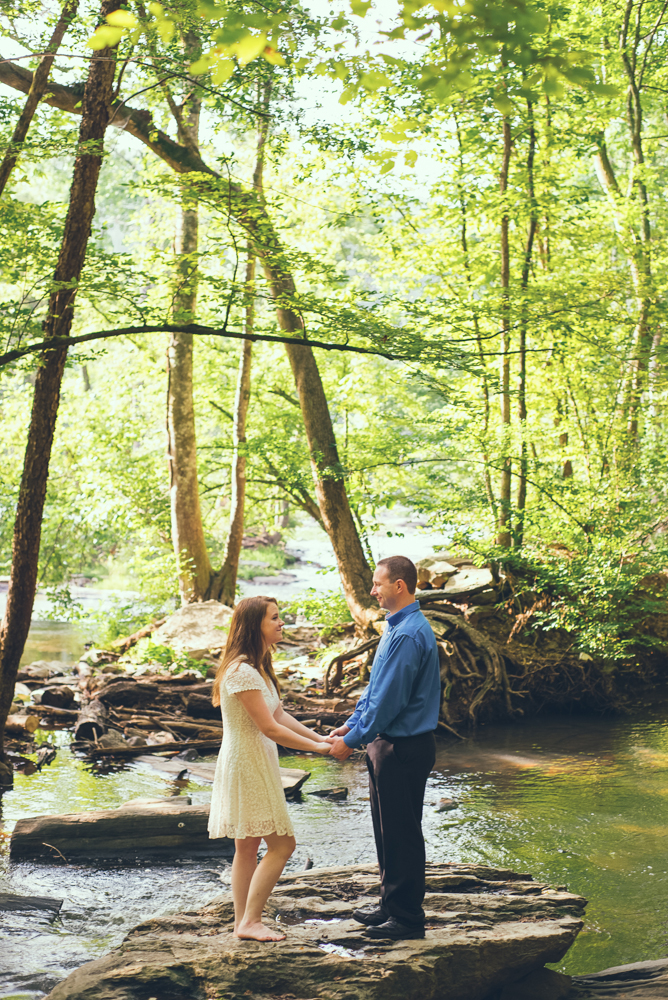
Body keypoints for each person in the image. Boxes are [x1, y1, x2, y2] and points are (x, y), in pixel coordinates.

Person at [208, 595, 332, 942]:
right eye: (274, 618)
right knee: (282, 846)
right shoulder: (241, 670)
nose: (281, 623)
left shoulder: (257, 667)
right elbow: (270, 729)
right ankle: (250, 920)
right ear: (254, 626)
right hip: (247, 764)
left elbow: (279, 715)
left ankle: (242, 923)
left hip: (252, 760)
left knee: (247, 848)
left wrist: (319, 736)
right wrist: (320, 749)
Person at [329, 555, 440, 941]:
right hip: (388, 744)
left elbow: (390, 702)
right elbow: (374, 691)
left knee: (402, 834)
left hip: (403, 747)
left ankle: (408, 920)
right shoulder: (396, 628)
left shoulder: (409, 633)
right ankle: (390, 905)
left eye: (378, 584)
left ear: (400, 586)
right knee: (385, 830)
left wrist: (351, 741)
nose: (372, 590)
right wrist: (352, 723)